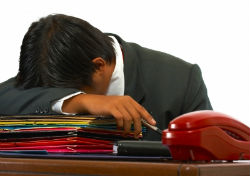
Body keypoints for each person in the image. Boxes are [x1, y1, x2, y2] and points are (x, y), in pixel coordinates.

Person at [0, 14, 212, 140]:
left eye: (71, 90)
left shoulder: (182, 80)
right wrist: (79, 99)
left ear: (99, 66)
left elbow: (213, 157)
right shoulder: (45, 69)